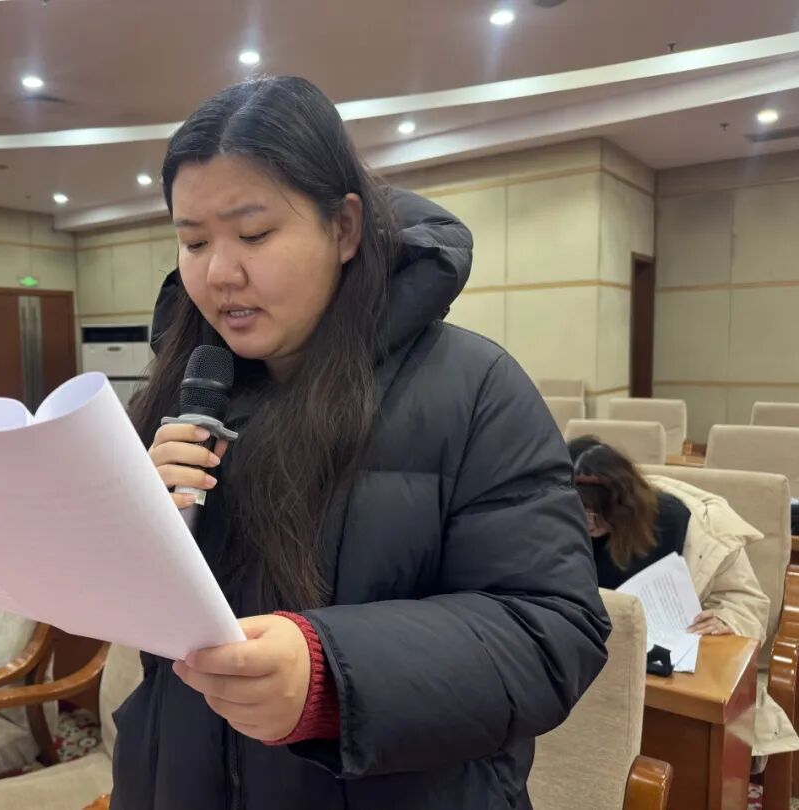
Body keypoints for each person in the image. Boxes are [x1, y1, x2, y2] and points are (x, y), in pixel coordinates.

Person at [121, 76, 610, 809]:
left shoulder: (475, 388)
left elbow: (553, 633)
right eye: (193, 241)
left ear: (345, 228)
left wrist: (329, 675)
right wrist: (137, 524)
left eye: (254, 235)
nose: (220, 272)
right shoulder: (181, 393)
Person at [570, 436, 799, 759]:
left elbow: (744, 600)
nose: (590, 524)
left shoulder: (692, 525)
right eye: (580, 512)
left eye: (599, 513)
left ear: (622, 504)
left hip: (669, 675)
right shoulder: (551, 523)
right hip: (591, 666)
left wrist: (726, 619)